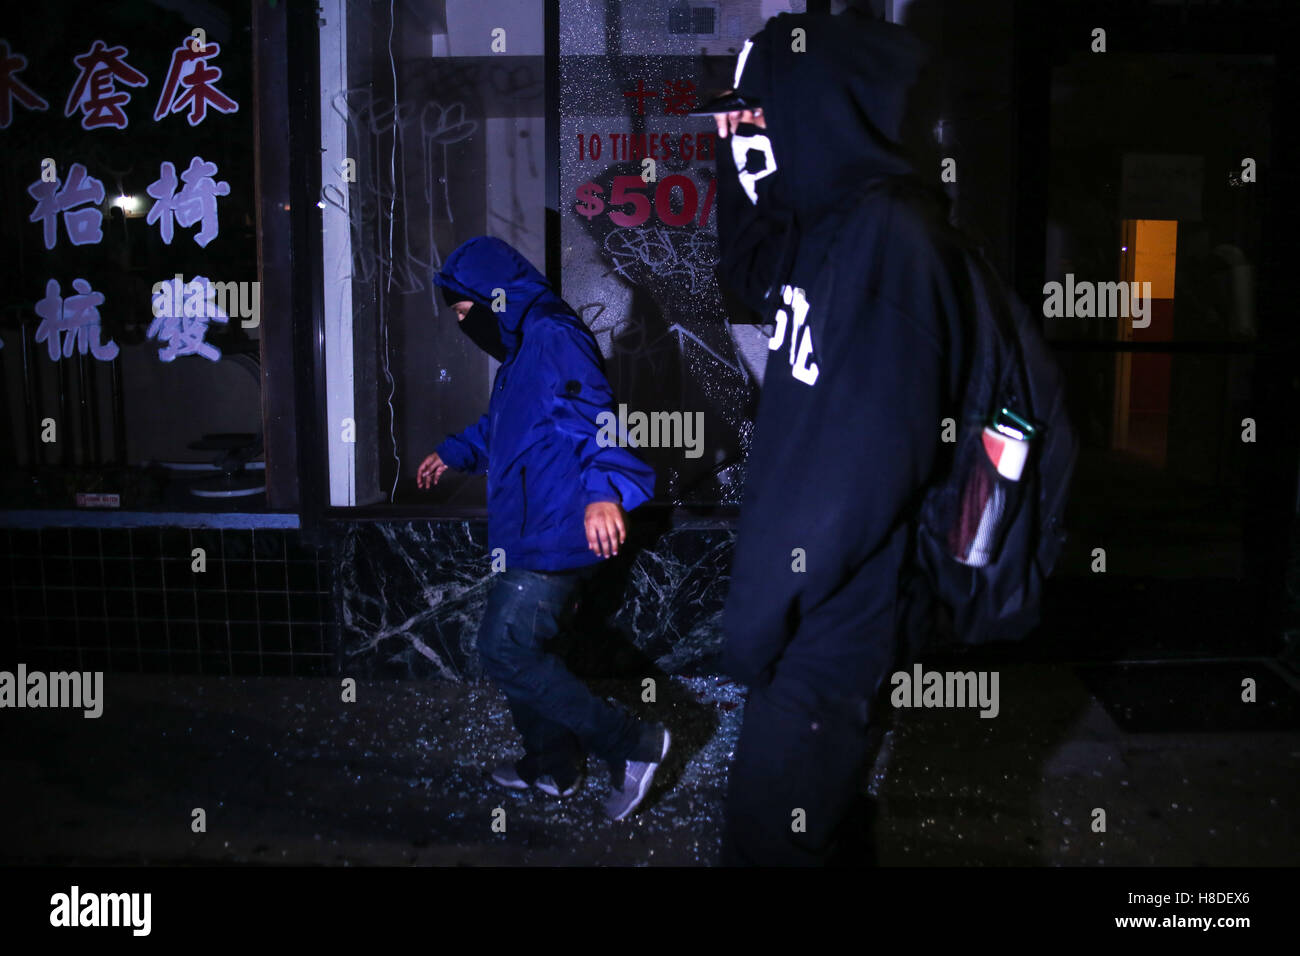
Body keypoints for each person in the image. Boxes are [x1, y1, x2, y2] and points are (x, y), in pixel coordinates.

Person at [697, 9, 968, 864]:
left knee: (768, 843)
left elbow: (859, 467)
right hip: (811, 615)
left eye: (766, 106)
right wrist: (740, 156)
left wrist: (759, 618)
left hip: (831, 618)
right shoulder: (832, 223)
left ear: (819, 102)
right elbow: (747, 274)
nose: (751, 124)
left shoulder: (888, 237)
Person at [417, 236, 669, 821]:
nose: (462, 324)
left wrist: (604, 491)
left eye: (463, 311)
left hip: (556, 528)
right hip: (528, 526)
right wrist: (455, 452)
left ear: (490, 298)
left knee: (503, 647)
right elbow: (505, 429)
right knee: (525, 650)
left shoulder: (553, 334)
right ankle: (552, 765)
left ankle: (635, 746)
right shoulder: (523, 351)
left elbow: (594, 413)